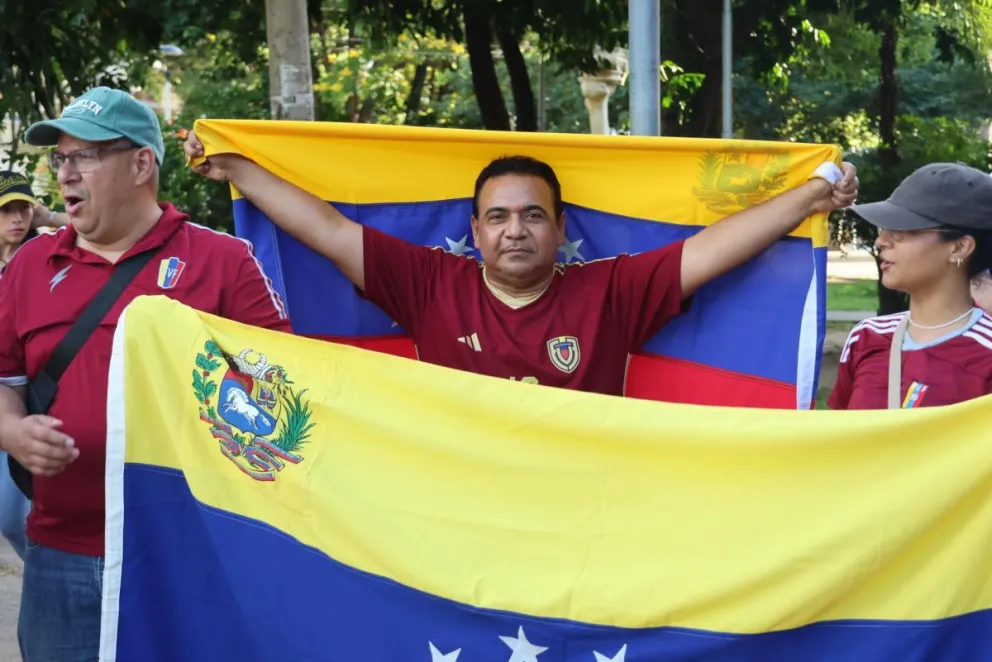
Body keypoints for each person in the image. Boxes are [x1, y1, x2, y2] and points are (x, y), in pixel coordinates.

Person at [183, 132, 858, 396]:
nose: (515, 231)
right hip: (456, 508)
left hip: (578, 507)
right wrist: (234, 164)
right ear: (474, 231)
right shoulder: (428, 283)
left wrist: (811, 196)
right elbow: (326, 229)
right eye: (499, 217)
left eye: (533, 215)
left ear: (561, 229)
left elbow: (715, 249)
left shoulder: (609, 291)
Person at [0, 87, 293, 662]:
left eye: (83, 156)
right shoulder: (31, 265)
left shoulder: (224, 261)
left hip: (188, 554)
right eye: (60, 159)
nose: (64, 175)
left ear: (140, 164)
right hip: (60, 554)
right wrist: (12, 432)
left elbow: (280, 397)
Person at [829, 162, 992, 410]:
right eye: (884, 228)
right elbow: (839, 438)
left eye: (904, 228)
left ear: (960, 247)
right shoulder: (866, 337)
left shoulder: (986, 355)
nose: (881, 241)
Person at [0, 171, 37, 560]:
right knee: (11, 517)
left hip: (35, 398)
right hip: (5, 399)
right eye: (7, 210)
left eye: (24, 208)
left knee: (14, 517)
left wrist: (48, 217)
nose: (17, 219)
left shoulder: (47, 256)